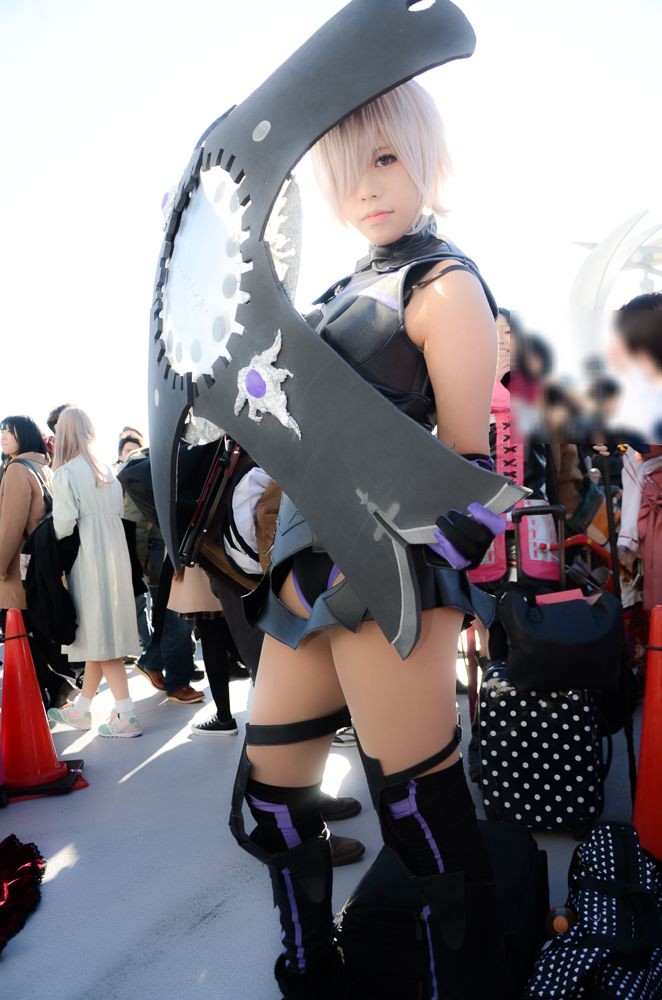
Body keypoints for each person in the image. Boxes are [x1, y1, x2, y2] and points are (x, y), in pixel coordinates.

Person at [229, 81, 507, 997]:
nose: (368, 188)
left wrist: (427, 558)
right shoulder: (338, 287)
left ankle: (462, 987)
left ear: (425, 156)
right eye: (349, 172)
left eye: (386, 159)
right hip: (301, 568)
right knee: (272, 800)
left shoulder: (445, 285)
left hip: (388, 572)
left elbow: (469, 473)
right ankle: (313, 972)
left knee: (420, 814)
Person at [46, 407, 142, 737]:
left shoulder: (65, 473)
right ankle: (82, 709)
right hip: (114, 553)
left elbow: (63, 524)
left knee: (100, 638)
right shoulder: (106, 470)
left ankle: (126, 714)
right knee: (98, 634)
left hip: (86, 556)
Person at [0, 415, 77, 707]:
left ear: (25, 433)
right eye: (1, 431)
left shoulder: (17, 469)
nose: (3, 436)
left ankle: (54, 687)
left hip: (15, 564)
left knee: (16, 629)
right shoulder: (42, 466)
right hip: (38, 561)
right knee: (36, 626)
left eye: (9, 431)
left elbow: (11, 524)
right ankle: (60, 685)